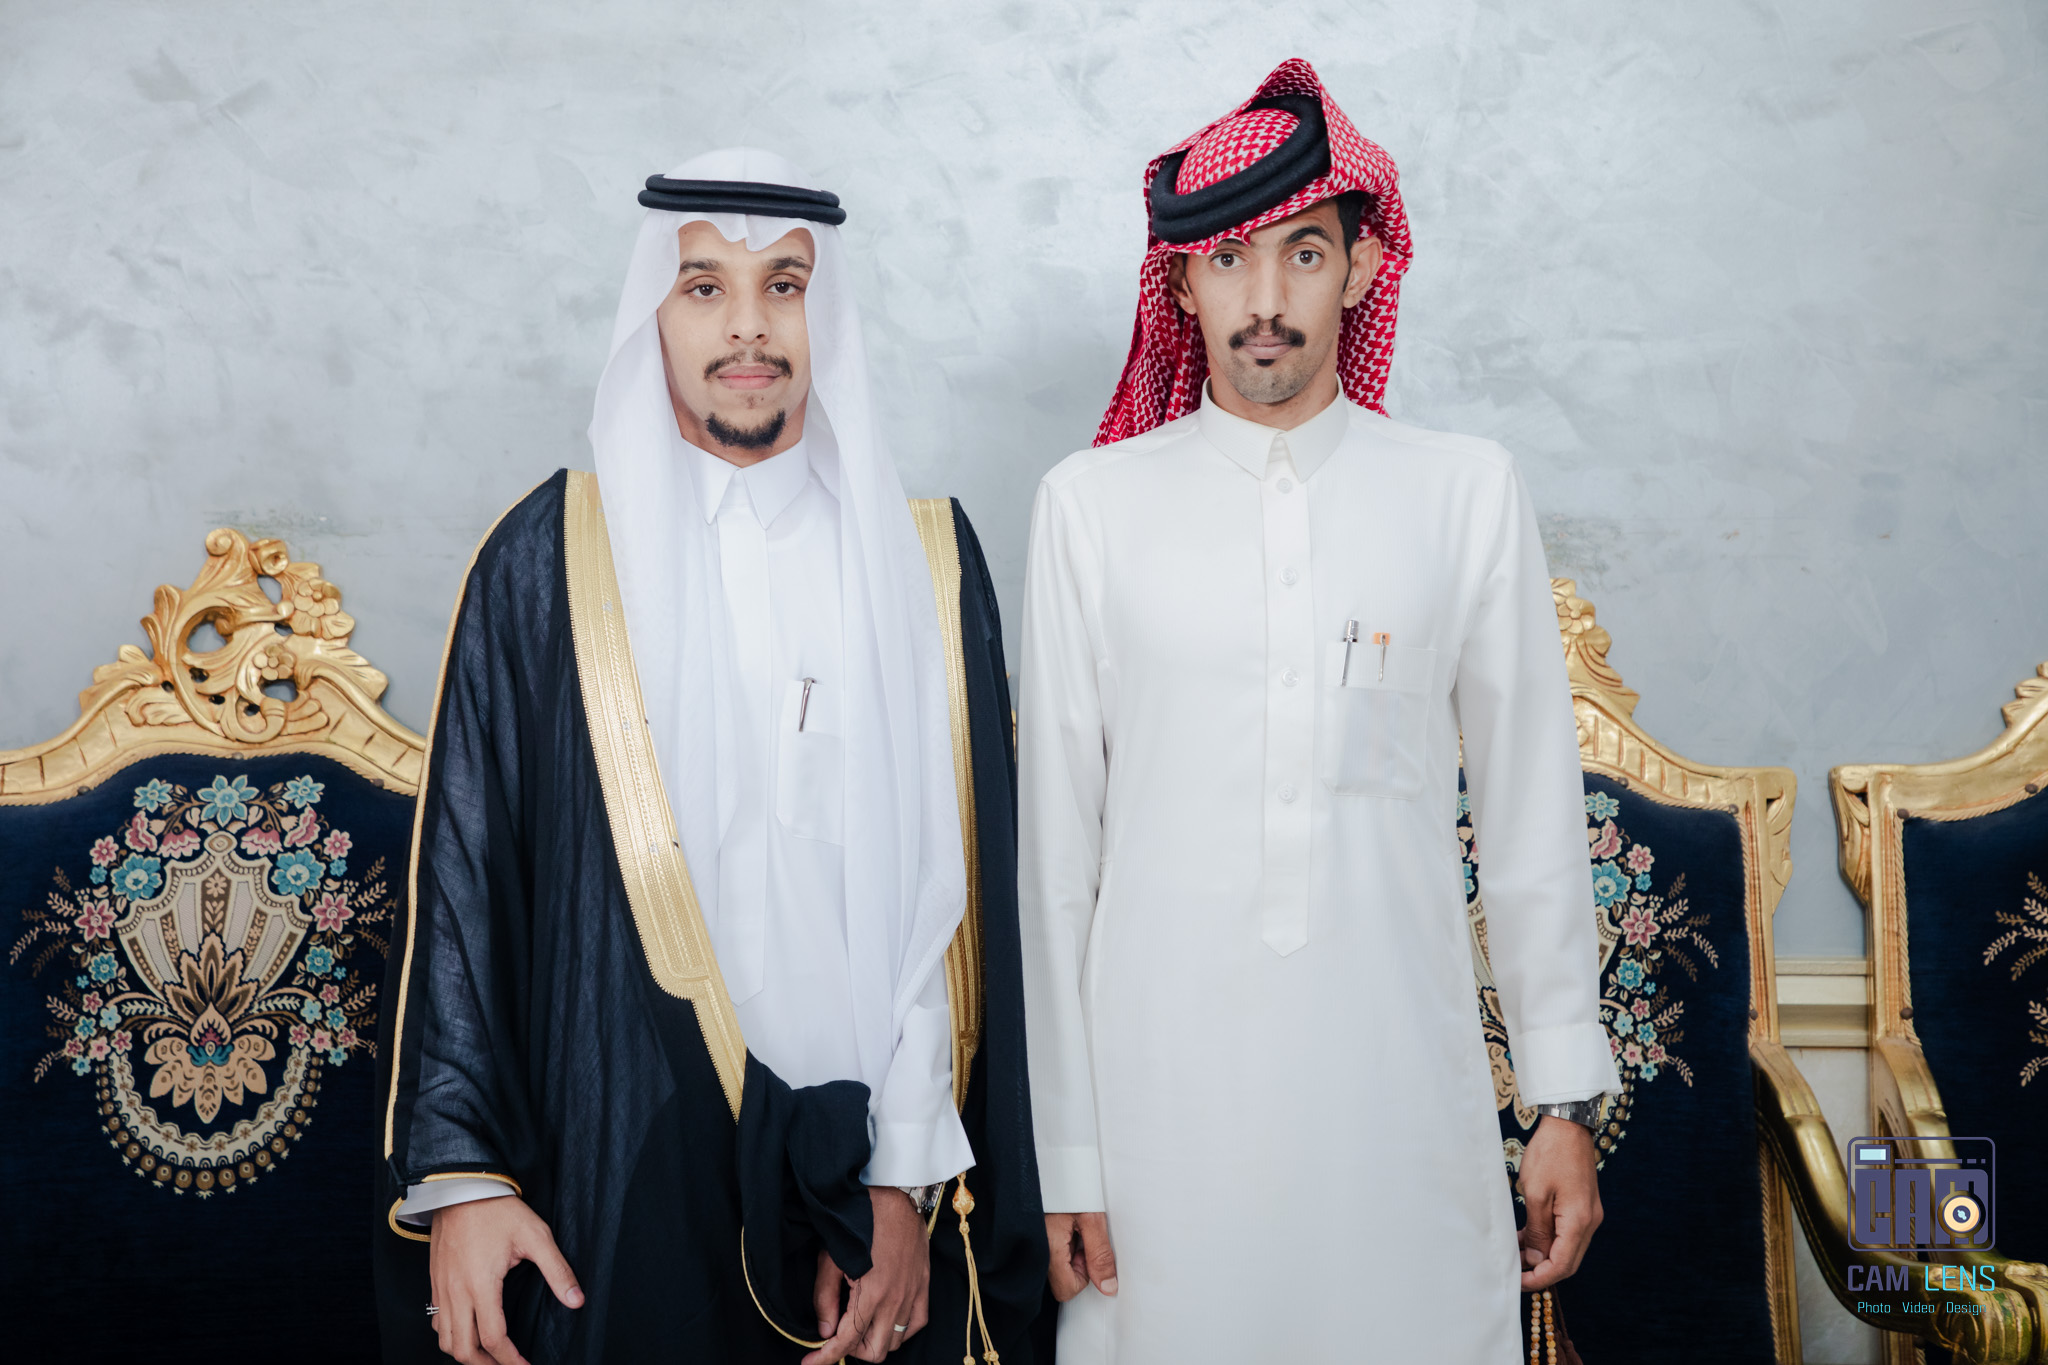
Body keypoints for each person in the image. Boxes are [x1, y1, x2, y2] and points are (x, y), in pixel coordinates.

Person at [373, 148, 1045, 1365]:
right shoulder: (550, 560)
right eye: (703, 288)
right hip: (617, 1162)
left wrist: (902, 1183)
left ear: (823, 313)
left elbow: (954, 907)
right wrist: (467, 1181)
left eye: (783, 284)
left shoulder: (924, 566)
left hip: (864, 1200)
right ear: (654, 313)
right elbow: (468, 883)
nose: (748, 327)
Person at [1016, 59, 1624, 1362]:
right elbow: (1058, 866)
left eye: (1302, 255)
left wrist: (1562, 1103)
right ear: (1181, 283)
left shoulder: (1462, 494)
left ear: (1361, 267)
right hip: (1157, 1120)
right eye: (1228, 262)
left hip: (1400, 1106)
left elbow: (1528, 816)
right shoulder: (1089, 507)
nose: (1265, 302)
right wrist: (1066, 1153)